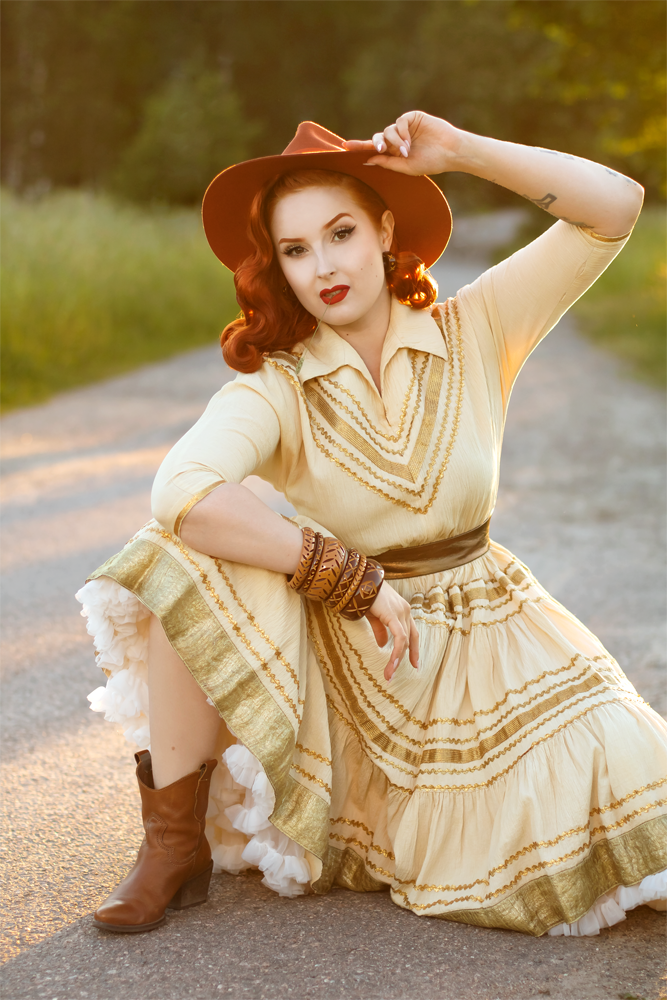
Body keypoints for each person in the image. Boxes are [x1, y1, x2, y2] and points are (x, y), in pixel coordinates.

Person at [77, 112, 667, 938]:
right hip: (354, 653)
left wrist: (460, 152)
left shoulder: (476, 325)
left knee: (621, 779)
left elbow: (613, 207)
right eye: (295, 250)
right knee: (177, 552)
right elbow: (181, 489)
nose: (323, 266)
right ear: (277, 268)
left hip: (492, 634)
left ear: (386, 231)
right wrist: (347, 576)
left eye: (341, 233)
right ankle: (171, 848)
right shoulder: (279, 385)